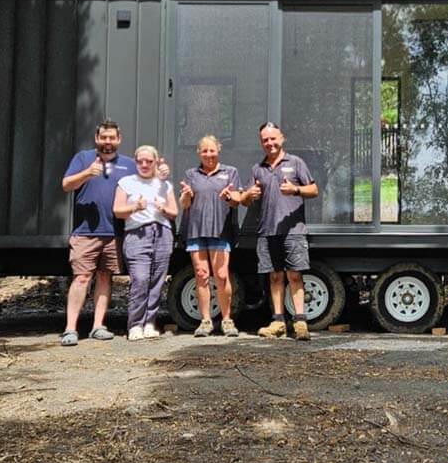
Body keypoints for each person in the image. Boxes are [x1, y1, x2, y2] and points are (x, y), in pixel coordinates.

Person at [237, 122, 318, 341]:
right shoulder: (258, 169)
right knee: (274, 277)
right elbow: (244, 200)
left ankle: (300, 321)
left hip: (293, 231)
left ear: (281, 138)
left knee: (294, 275)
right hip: (267, 231)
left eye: (273, 138)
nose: (270, 143)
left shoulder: (296, 163)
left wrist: (296, 189)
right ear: (261, 142)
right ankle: (278, 322)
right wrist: (248, 195)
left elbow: (314, 189)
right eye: (265, 140)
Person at [60, 119, 136, 347]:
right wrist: (86, 174)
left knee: (105, 277)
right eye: (104, 137)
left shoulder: (129, 164)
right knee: (82, 277)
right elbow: (66, 185)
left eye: (112, 138)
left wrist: (161, 171)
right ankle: (70, 329)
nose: (108, 142)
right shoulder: (83, 158)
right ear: (97, 139)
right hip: (85, 233)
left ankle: (98, 326)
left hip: (114, 232)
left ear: (119, 140)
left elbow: (146, 181)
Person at [113, 145, 178, 341]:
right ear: (135, 162)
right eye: (140, 161)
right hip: (137, 234)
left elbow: (174, 212)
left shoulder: (165, 185)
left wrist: (163, 207)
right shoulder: (126, 182)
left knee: (157, 281)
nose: (144, 164)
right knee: (140, 279)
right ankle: (135, 325)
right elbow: (117, 210)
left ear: (156, 162)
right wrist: (135, 206)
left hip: (162, 233)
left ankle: (149, 322)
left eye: (149, 161)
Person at [180, 134, 242, 338]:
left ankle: (227, 320)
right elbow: (185, 204)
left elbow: (236, 201)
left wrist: (230, 197)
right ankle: (205, 321)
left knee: (222, 276)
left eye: (212, 150)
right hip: (196, 230)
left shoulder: (230, 172)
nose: (208, 154)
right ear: (199, 153)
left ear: (219, 150)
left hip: (220, 230)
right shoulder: (191, 174)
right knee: (201, 275)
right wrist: (186, 196)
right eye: (204, 151)